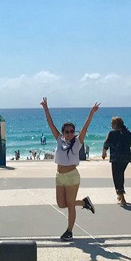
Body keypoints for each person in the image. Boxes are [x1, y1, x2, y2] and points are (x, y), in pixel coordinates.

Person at [41, 97, 100, 241]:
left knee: (70, 205)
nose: (69, 134)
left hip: (72, 176)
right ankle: (85, 203)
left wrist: (91, 113)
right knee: (62, 204)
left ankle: (69, 231)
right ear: (63, 132)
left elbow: (86, 127)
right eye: (66, 131)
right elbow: (50, 124)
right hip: (59, 176)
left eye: (72, 131)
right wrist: (46, 108)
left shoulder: (77, 143)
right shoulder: (59, 140)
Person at [101, 116, 131, 207]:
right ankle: (120, 195)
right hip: (126, 159)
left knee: (117, 177)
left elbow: (106, 144)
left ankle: (122, 198)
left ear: (116, 124)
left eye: (112, 123)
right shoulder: (128, 133)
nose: (111, 125)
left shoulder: (112, 133)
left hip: (116, 158)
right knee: (120, 175)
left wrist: (104, 153)